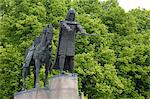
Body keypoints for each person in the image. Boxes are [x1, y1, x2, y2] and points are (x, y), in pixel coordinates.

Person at [53, 8, 84, 73]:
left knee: (71, 57)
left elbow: (80, 27)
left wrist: (82, 31)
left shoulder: (76, 24)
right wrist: (68, 28)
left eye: (73, 15)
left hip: (71, 43)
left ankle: (72, 71)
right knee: (62, 56)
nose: (72, 17)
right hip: (63, 43)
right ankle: (61, 70)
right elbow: (64, 25)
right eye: (71, 15)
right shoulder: (63, 22)